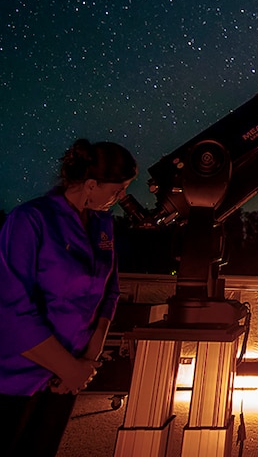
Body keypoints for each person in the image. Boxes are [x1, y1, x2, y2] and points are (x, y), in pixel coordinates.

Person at [0, 139, 137, 457]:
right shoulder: (29, 220)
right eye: (117, 190)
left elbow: (109, 293)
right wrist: (68, 367)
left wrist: (87, 362)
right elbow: (12, 308)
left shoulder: (103, 226)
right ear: (91, 184)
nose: (121, 198)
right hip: (18, 372)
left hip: (71, 372)